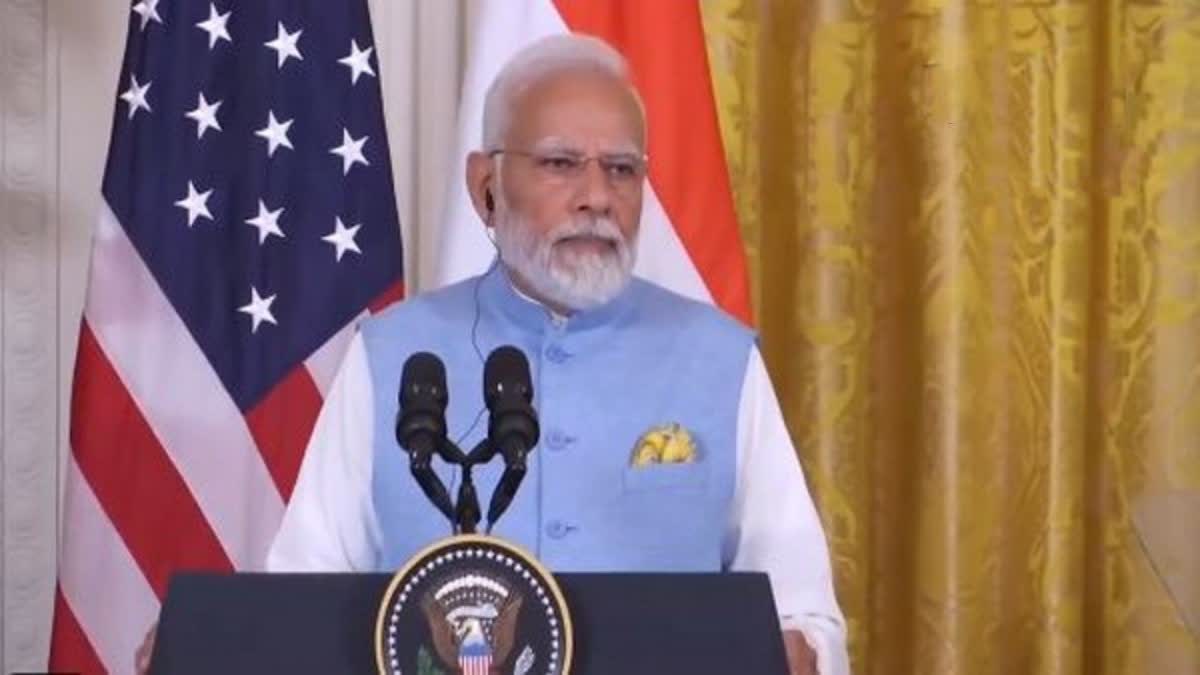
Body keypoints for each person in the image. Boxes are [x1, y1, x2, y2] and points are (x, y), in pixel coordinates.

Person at [138, 33, 849, 675]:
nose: (596, 197)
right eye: (562, 164)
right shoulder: (393, 357)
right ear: (486, 187)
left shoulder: (719, 360)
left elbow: (804, 613)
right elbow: (307, 588)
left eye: (623, 170)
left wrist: (796, 651)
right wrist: (214, 646)